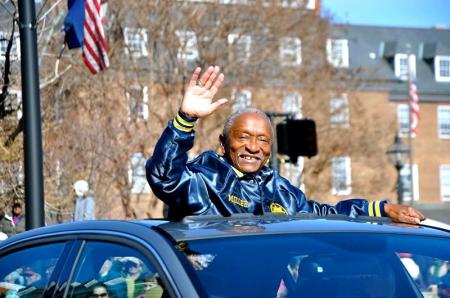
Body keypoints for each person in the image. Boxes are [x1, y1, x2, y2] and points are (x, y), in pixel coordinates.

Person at [146, 65, 426, 224]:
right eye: (243, 137)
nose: (253, 147)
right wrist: (185, 118)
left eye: (262, 140)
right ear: (224, 143)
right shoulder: (202, 179)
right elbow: (164, 177)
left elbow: (322, 214)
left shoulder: (278, 189)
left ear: (270, 149)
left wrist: (380, 209)